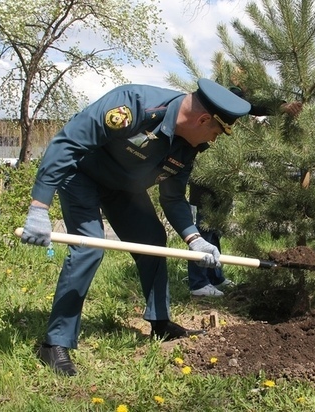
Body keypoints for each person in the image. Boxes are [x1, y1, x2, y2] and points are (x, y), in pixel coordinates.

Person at [19, 78, 251, 376]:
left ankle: (160, 323)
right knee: (89, 245)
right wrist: (39, 207)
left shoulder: (189, 147)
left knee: (152, 239)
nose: (213, 140)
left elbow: (174, 197)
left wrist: (194, 239)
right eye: (216, 132)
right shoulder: (135, 106)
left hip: (123, 188)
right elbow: (68, 142)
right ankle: (54, 343)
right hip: (81, 174)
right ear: (203, 119)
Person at [187, 88, 302, 297]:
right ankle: (198, 283)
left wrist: (281, 107)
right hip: (206, 179)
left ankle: (215, 277)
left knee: (215, 229)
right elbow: (252, 105)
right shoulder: (223, 102)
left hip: (224, 181)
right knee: (204, 229)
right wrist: (280, 107)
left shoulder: (235, 113)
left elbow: (255, 106)